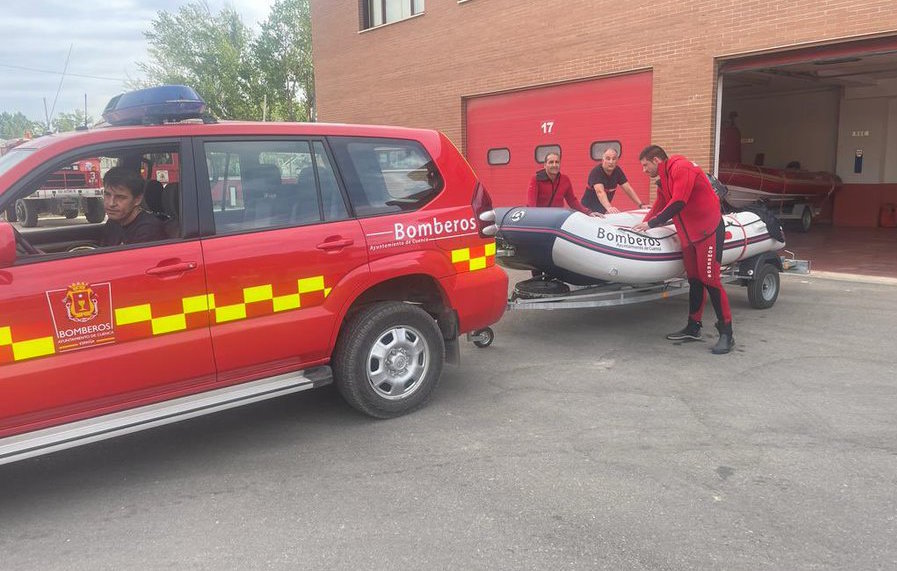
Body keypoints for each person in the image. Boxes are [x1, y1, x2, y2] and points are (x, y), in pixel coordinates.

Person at [631, 145, 734, 354]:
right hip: (689, 235)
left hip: (708, 230)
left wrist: (653, 224)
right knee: (694, 280)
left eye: (645, 165)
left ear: (657, 161)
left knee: (710, 280)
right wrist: (641, 226)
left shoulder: (681, 168)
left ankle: (727, 333)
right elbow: (659, 204)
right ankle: (693, 327)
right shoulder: (664, 179)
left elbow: (678, 202)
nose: (643, 170)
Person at [101, 166, 165, 247]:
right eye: (107, 194)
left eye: (120, 197)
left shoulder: (148, 230)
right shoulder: (113, 222)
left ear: (137, 200)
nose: (111, 203)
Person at [526, 152, 602, 217]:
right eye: (551, 162)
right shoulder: (536, 179)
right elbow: (531, 204)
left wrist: (588, 212)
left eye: (557, 162)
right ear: (545, 165)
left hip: (556, 218)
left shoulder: (565, 180)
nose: (554, 165)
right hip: (540, 218)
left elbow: (572, 201)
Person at [582, 147, 646, 213]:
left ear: (617, 160)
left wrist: (640, 205)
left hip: (602, 211)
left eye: (614, 159)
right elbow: (600, 192)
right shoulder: (596, 172)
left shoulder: (617, 171)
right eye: (608, 159)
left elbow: (628, 189)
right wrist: (609, 207)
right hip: (587, 210)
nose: (611, 162)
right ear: (603, 160)